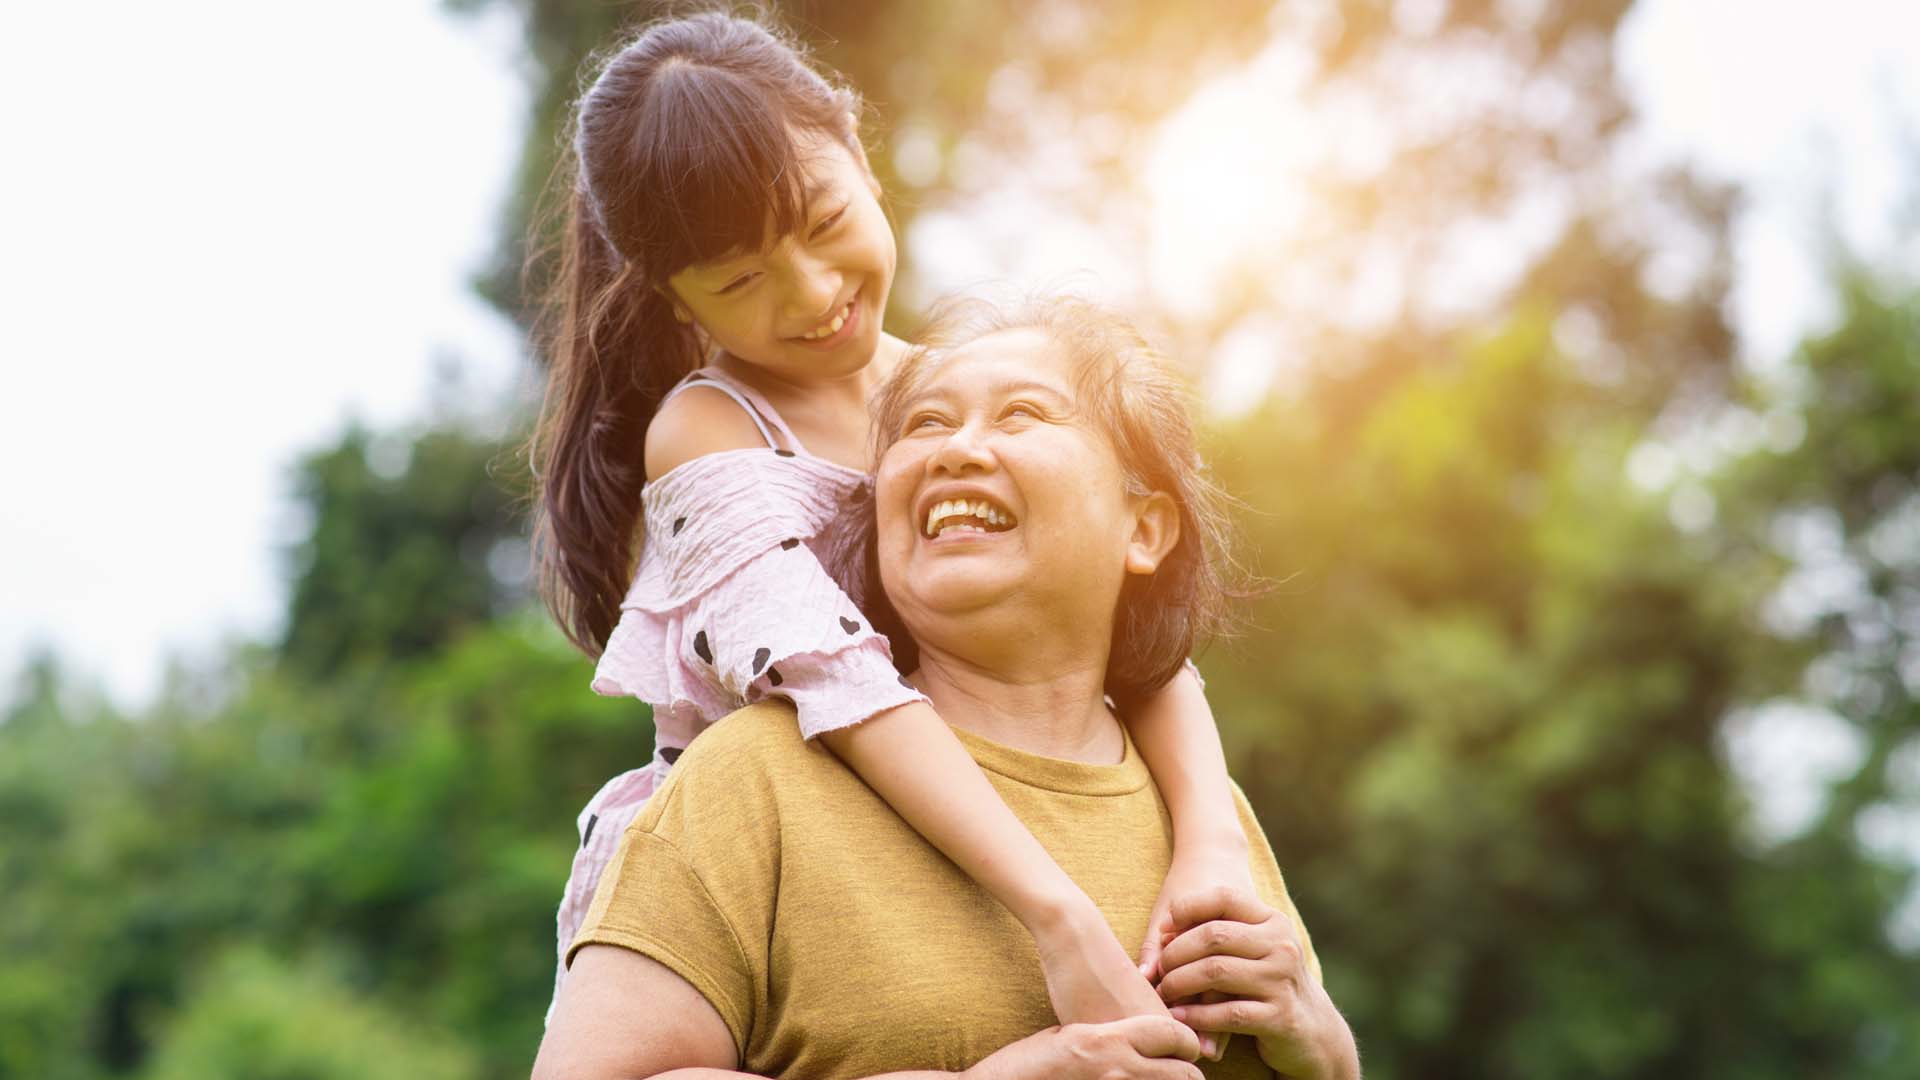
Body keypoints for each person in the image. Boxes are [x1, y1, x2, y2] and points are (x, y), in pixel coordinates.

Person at [528, 11, 1255, 1036]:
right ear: (669, 291)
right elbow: (836, 675)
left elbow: (1131, 635)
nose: (815, 295)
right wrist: (1060, 915)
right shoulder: (710, 432)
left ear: (861, 152)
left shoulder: (948, 395)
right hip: (766, 878)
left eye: (824, 224)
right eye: (741, 280)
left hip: (966, 827)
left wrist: (1213, 842)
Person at [534, 296, 1361, 1080]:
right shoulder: (750, 779)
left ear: (1143, 529)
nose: (954, 450)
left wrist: (1322, 1046)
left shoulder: (1208, 822)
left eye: (1022, 414)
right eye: (926, 423)